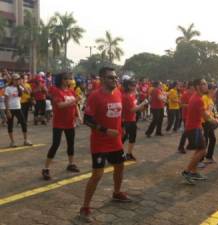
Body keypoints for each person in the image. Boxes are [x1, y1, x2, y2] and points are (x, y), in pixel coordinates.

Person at [80, 67, 131, 222]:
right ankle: (85, 207)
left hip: (115, 141)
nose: (114, 80)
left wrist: (121, 128)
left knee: (120, 166)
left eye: (116, 77)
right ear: (102, 79)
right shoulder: (95, 96)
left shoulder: (118, 93)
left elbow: (119, 113)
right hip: (100, 142)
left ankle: (116, 193)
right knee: (97, 175)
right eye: (110, 77)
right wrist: (105, 130)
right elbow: (87, 120)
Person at [42, 72, 81, 180]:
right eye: (65, 78)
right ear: (60, 79)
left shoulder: (71, 91)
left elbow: (75, 105)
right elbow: (60, 105)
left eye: (69, 78)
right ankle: (46, 168)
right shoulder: (55, 90)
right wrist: (74, 101)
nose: (68, 80)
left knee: (71, 144)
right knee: (55, 144)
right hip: (59, 123)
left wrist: (79, 116)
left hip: (70, 122)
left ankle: (71, 164)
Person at [181, 79, 218, 185]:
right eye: (203, 84)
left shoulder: (197, 97)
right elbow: (206, 117)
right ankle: (187, 171)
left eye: (205, 84)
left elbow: (204, 113)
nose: (206, 85)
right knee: (202, 150)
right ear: (197, 87)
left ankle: (193, 171)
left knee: (199, 150)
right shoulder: (198, 99)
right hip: (193, 128)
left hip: (194, 127)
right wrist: (217, 121)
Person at [121, 78, 148, 161]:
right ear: (129, 86)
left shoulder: (130, 95)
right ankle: (115, 154)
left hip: (130, 119)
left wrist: (140, 107)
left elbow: (134, 107)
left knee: (131, 138)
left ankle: (129, 154)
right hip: (127, 121)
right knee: (122, 139)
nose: (136, 86)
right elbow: (132, 109)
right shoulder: (127, 96)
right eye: (134, 85)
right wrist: (143, 103)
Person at [4, 74, 33, 147]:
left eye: (18, 79)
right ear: (12, 80)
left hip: (18, 108)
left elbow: (28, 93)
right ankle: (12, 142)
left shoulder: (20, 87)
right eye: (16, 79)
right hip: (10, 109)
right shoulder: (8, 88)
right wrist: (7, 111)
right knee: (10, 125)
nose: (17, 81)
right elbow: (6, 100)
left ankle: (25, 140)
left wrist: (22, 84)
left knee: (23, 123)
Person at [177, 82, 194, 153]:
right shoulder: (185, 94)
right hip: (186, 115)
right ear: (190, 87)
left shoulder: (194, 94)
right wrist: (190, 105)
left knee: (191, 131)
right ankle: (181, 147)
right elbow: (181, 105)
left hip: (193, 115)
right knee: (186, 131)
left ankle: (190, 144)